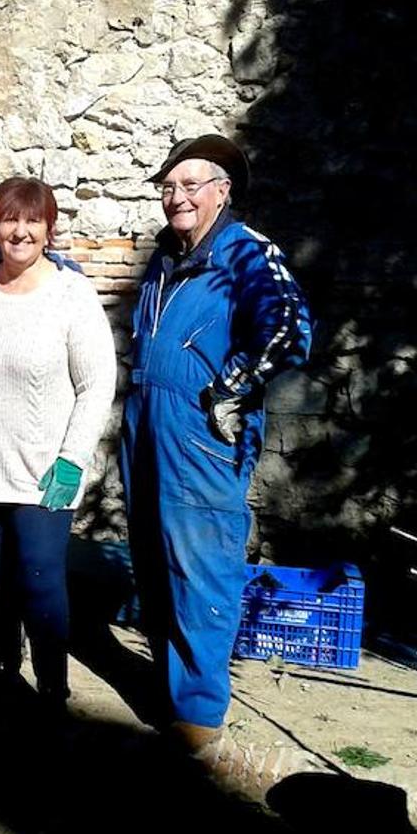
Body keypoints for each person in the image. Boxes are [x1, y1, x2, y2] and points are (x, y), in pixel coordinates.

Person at [121, 134, 312, 750]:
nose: (176, 197)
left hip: (200, 432)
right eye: (168, 187)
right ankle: (169, 694)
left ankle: (198, 720)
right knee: (151, 562)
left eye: (190, 185)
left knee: (200, 568)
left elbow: (289, 327)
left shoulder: (246, 253)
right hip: (146, 422)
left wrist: (229, 387)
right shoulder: (166, 255)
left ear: (222, 191)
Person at [0, 177, 116, 706]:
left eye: (32, 221)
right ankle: (1, 676)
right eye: (10, 220)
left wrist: (72, 460)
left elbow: (97, 383)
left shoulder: (70, 293)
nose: (20, 231)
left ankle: (53, 689)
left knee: (40, 581)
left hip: (43, 471)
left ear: (48, 228)